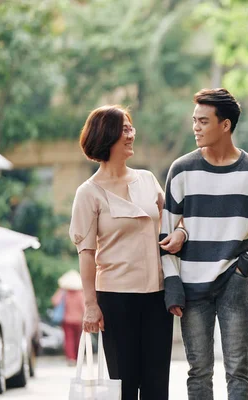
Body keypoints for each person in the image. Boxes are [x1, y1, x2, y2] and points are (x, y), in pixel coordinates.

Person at [160, 88, 248, 400]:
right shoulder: (181, 170)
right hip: (191, 286)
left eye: (203, 121)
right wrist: (173, 284)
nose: (196, 127)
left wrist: (245, 268)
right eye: (194, 121)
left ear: (225, 125)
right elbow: (164, 235)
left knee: (238, 369)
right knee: (198, 372)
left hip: (234, 282)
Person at [68, 105, 187, 400]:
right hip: (115, 299)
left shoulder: (147, 179)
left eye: (131, 128)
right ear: (105, 135)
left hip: (157, 296)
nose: (131, 134)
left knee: (157, 385)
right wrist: (90, 304)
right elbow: (86, 252)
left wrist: (180, 235)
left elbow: (175, 220)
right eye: (124, 129)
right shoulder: (89, 192)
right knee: (124, 383)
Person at [51, 270, 84, 366]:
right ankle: (77, 358)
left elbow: (54, 301)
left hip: (67, 320)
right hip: (78, 321)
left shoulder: (64, 293)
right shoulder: (80, 294)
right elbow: (84, 308)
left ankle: (71, 358)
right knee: (77, 340)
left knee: (68, 340)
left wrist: (61, 289)